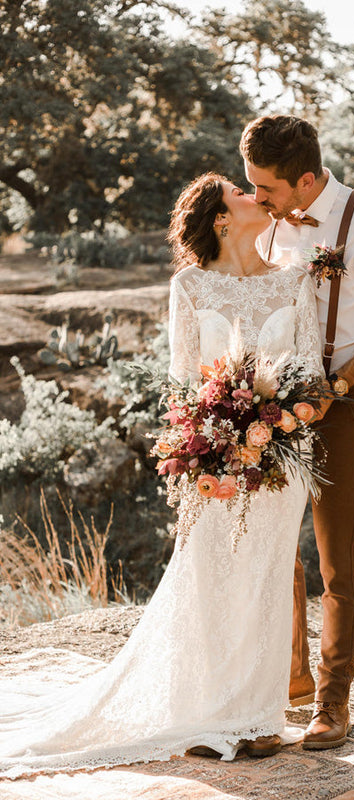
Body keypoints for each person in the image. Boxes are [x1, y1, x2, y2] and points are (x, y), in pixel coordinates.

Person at [0, 173, 325, 779]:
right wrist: (207, 447)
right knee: (210, 572)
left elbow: (305, 368)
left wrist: (280, 427)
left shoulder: (296, 280)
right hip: (211, 453)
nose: (254, 193)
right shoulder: (191, 285)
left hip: (282, 456)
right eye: (238, 191)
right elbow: (181, 382)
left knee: (265, 571)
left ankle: (258, 718)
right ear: (221, 219)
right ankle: (208, 711)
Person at [240, 115, 354, 749]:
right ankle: (283, 685)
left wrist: (334, 387)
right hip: (270, 415)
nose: (257, 199)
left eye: (268, 188)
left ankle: (331, 702)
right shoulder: (265, 229)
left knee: (338, 558)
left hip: (347, 403)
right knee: (271, 550)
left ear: (308, 179)